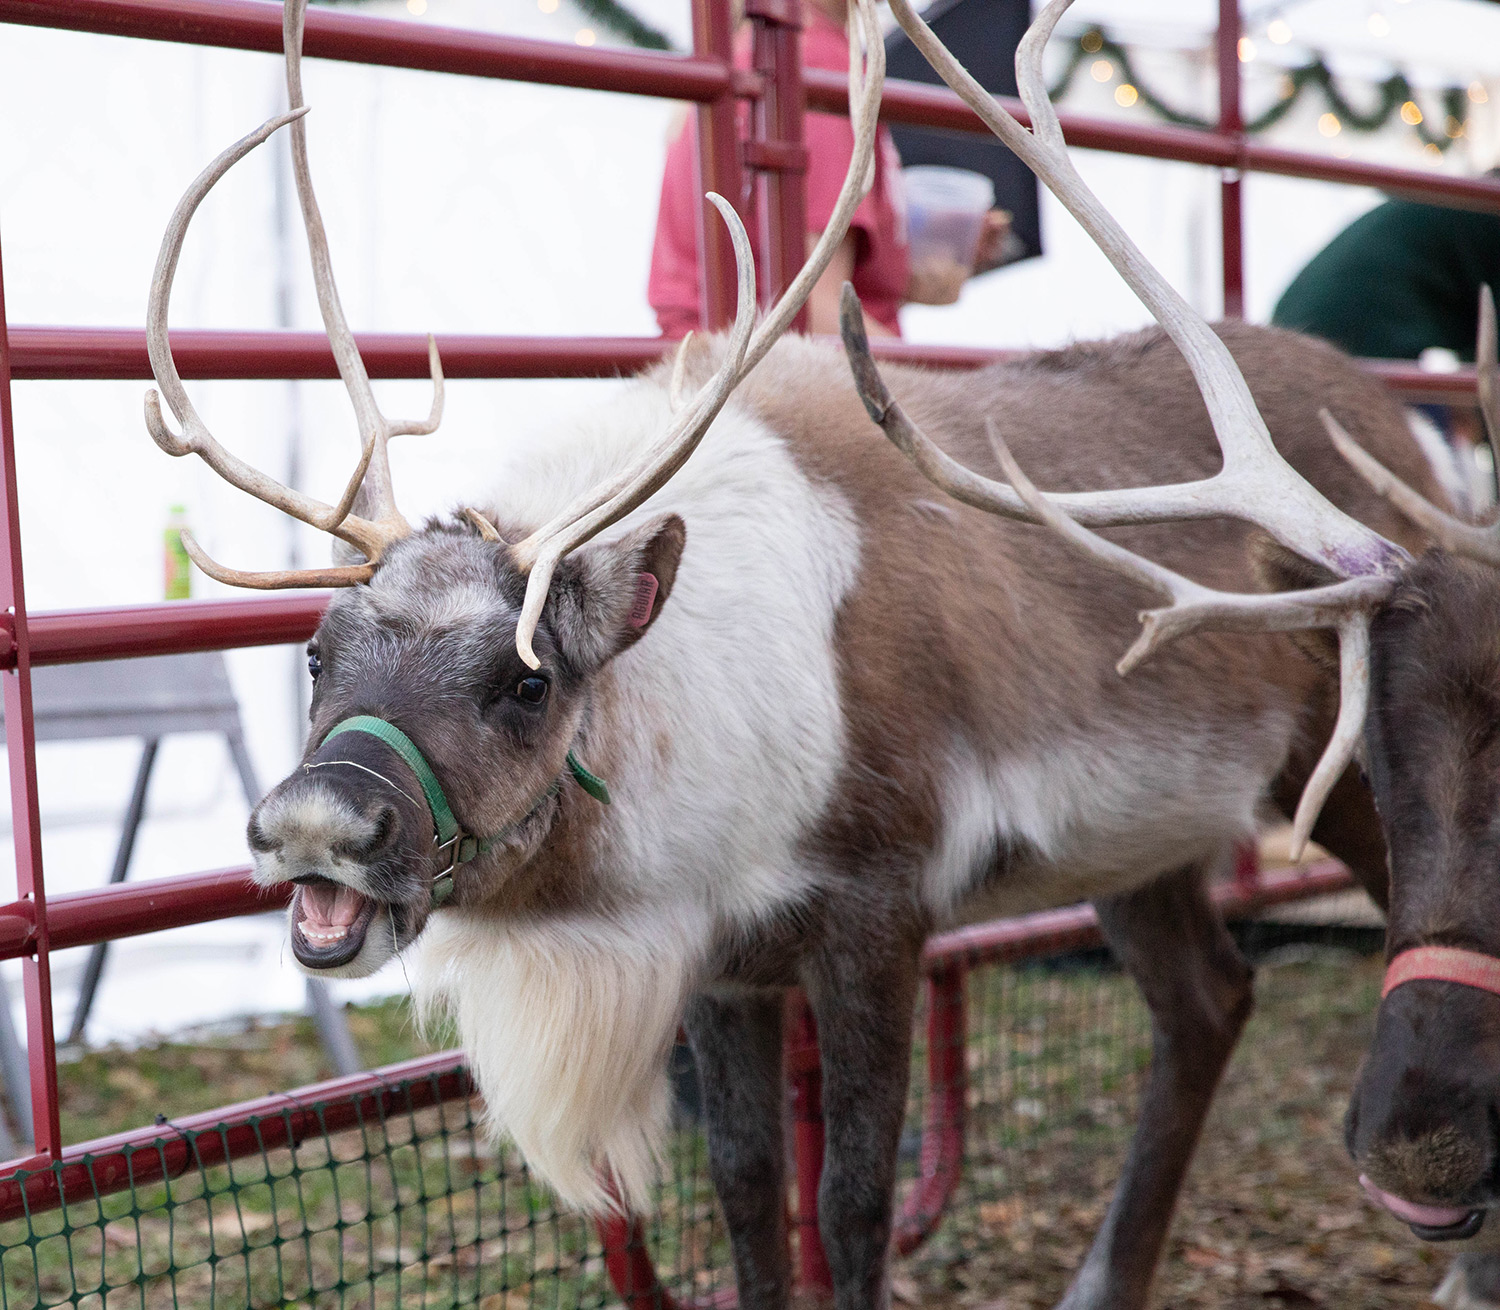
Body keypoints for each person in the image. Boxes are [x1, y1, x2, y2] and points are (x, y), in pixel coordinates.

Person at [647, 0, 1010, 339]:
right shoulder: (816, 62)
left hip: (718, 371)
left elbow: (772, 279)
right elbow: (818, 316)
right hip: (779, 385)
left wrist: (908, 277)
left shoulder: (756, 48)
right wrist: (945, 392)